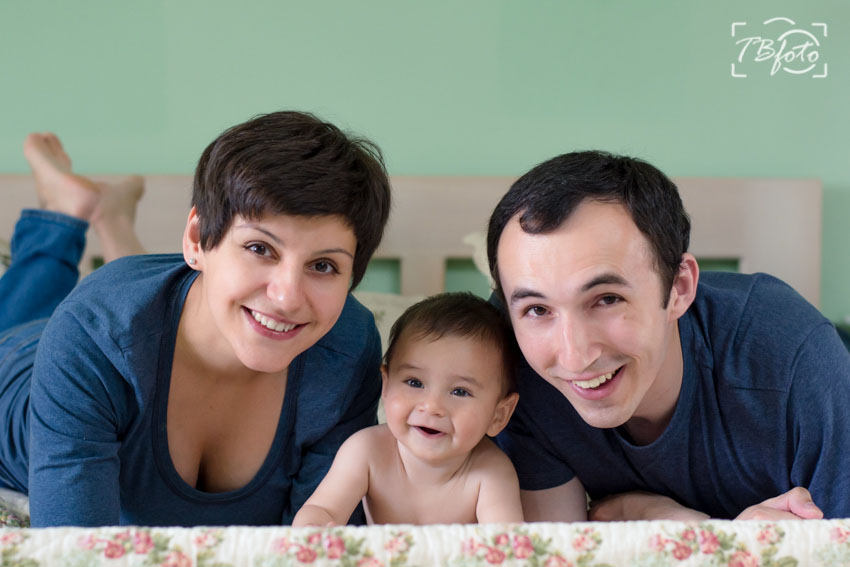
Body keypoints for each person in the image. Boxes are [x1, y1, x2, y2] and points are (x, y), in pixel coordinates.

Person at [0, 111, 392, 527]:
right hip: (24, 358)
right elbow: (78, 550)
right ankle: (63, 213)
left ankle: (113, 218)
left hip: (140, 322)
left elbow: (323, 545)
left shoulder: (347, 349)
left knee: (141, 302)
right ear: (196, 239)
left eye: (324, 266)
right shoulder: (92, 334)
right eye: (259, 248)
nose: (287, 297)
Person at [487, 150, 850, 521]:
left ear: (679, 287)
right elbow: (559, 546)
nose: (574, 356)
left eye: (607, 299)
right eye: (537, 310)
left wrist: (699, 534)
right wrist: (677, 522)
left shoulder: (798, 362)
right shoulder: (508, 365)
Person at [292, 292, 522, 526]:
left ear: (499, 415)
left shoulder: (492, 473)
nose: (432, 407)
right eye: (415, 382)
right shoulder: (367, 451)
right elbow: (323, 509)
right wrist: (315, 528)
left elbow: (507, 543)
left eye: (460, 391)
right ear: (386, 385)